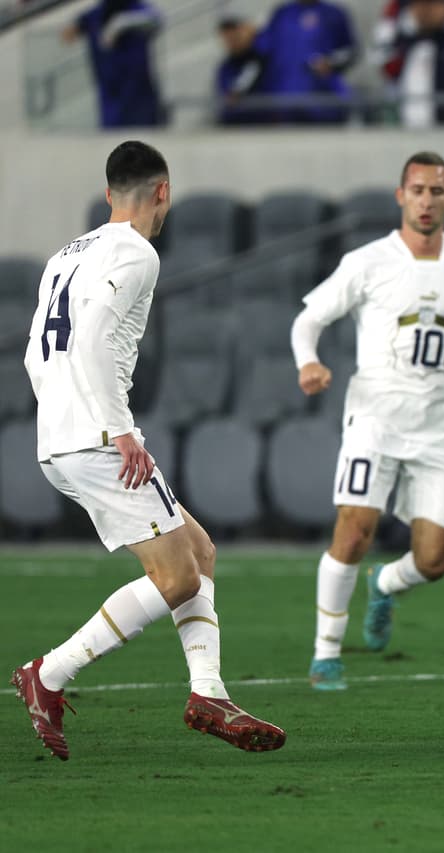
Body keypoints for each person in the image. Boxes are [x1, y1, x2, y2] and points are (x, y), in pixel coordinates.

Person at [12, 141, 285, 760]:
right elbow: (96, 340)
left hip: (60, 435)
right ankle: (48, 675)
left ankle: (208, 692)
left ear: (109, 193)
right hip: (100, 436)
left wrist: (67, 417)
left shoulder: (65, 255)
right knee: (178, 573)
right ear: (163, 191)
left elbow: (37, 353)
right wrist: (116, 427)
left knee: (198, 551)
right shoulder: (138, 252)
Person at [291, 151, 444, 692]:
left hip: (441, 428)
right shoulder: (368, 262)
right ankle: (326, 655)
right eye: (418, 190)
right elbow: (309, 319)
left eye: (437, 191)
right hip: (376, 419)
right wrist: (309, 362)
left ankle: (386, 584)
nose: (427, 200)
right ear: (401, 196)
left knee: (434, 561)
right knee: (355, 528)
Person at [61, 0, 164, 128]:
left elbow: (156, 20)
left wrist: (120, 24)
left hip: (138, 95)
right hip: (110, 95)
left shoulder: (136, 8)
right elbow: (68, 34)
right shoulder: (96, 14)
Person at [255, 0, 357, 124]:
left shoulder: (333, 13)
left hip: (323, 101)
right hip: (284, 100)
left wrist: (330, 63)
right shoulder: (282, 13)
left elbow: (349, 51)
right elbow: (263, 47)